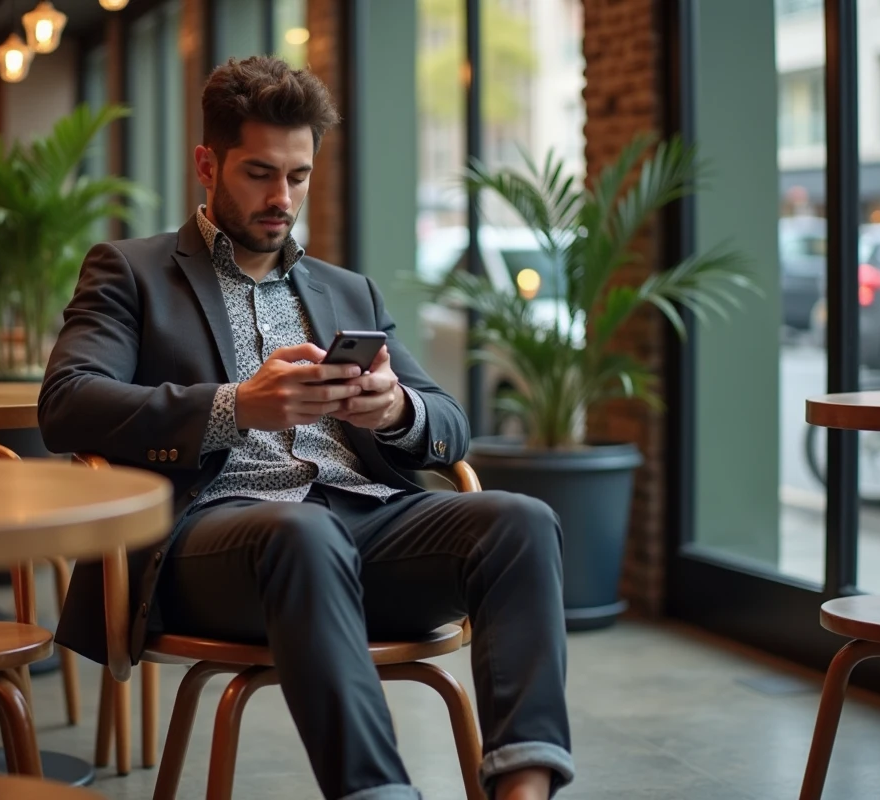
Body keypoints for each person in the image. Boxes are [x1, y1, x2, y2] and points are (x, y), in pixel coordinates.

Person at [39, 55, 573, 800]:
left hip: (366, 533)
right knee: (301, 532)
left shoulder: (346, 290)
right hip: (214, 546)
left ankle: (525, 792)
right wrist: (234, 407)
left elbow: (451, 425)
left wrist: (394, 410)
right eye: (259, 173)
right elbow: (65, 402)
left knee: (522, 520)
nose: (281, 197)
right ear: (206, 163)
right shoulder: (131, 271)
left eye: (298, 176)